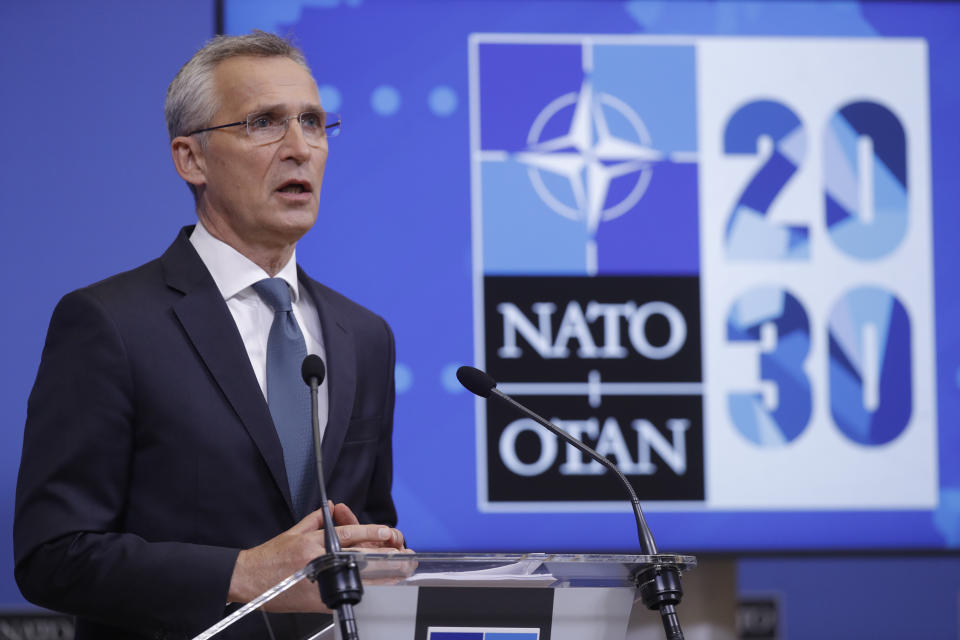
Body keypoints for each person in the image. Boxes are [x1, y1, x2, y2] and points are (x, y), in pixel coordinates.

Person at [13, 31, 406, 640]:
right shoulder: (110, 324)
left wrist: (385, 559)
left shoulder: (365, 336)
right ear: (190, 159)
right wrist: (241, 572)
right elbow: (52, 555)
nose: (300, 147)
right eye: (263, 123)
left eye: (313, 122)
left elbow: (364, 535)